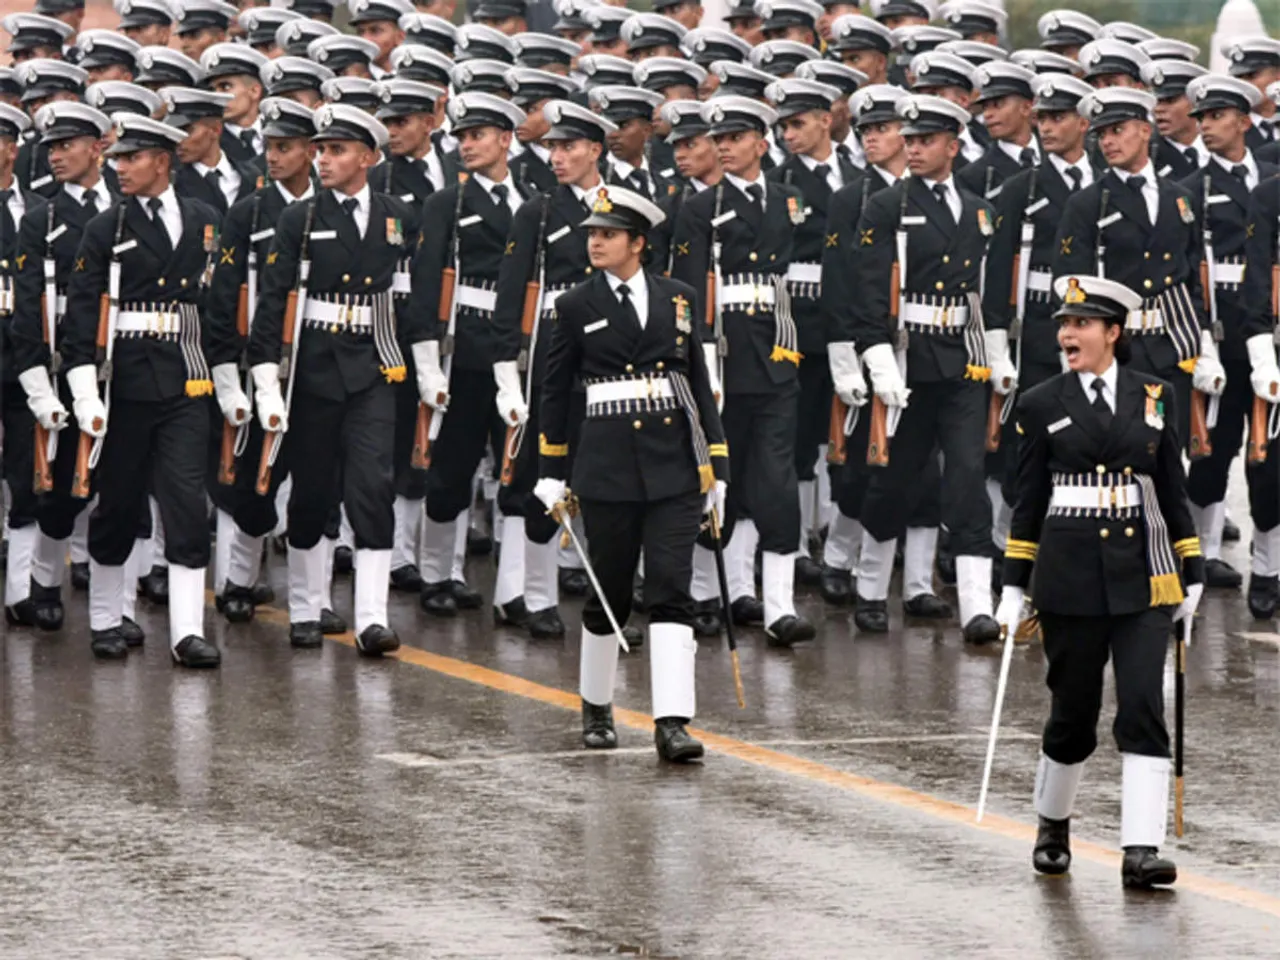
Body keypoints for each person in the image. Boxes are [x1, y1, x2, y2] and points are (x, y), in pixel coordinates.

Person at [996, 273, 1204, 889]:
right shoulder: (1039, 403)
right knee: (1073, 714)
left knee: (1142, 706)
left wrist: (1191, 572)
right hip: (1069, 579)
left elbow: (1172, 488)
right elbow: (1026, 503)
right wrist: (1012, 586)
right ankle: (1053, 823)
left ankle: (1142, 849)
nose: (1067, 334)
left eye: (1081, 324)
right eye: (1064, 324)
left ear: (1113, 333)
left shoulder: (1155, 395)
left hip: (1144, 577)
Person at [535, 185, 727, 762]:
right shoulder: (573, 305)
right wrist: (550, 468)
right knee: (611, 595)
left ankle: (672, 722)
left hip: (673, 468)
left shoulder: (679, 298)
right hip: (607, 470)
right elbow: (553, 391)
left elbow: (697, 382)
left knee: (672, 589)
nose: (595, 241)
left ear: (638, 243)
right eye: (592, 233)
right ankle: (596, 705)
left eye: (608, 234)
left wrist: (715, 467)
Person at [248, 103, 423, 654]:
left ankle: (372, 616)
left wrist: (424, 367)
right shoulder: (299, 218)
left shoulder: (397, 215)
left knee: (372, 487)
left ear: (367, 158)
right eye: (320, 150)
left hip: (375, 363)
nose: (323, 160)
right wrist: (265, 378)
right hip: (315, 367)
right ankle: (307, 606)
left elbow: (407, 295)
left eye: (337, 150)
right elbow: (272, 302)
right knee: (314, 489)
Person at [60, 113, 223, 666]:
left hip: (186, 374)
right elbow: (83, 310)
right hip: (125, 379)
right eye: (117, 158)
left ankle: (186, 631)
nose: (119, 167)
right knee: (121, 502)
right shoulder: (107, 226)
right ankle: (108, 617)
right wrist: (83, 386)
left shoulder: (203, 218)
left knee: (184, 501)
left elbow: (213, 303)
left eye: (131, 158)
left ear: (162, 160)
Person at [670, 95, 814, 647]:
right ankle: (709, 592)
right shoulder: (701, 207)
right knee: (716, 476)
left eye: (734, 138)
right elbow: (688, 287)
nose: (723, 147)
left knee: (774, 480)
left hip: (775, 353)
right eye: (718, 139)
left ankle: (778, 604)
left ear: (762, 141)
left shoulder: (788, 200)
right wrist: (697, 352)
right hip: (723, 355)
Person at [491, 99, 617, 639]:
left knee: (609, 479)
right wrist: (506, 371)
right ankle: (538, 596)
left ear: (595, 150)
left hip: (612, 359)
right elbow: (510, 294)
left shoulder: (625, 207)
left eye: (568, 147)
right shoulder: (538, 211)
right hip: (556, 356)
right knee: (548, 477)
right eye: (552, 148)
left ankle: (606, 602)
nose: (558, 157)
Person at [203, 97, 327, 627]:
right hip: (260, 362)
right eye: (269, 147)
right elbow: (225, 295)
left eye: (286, 148)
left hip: (317, 364)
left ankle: (313, 598)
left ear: (311, 152)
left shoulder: (331, 206)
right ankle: (237, 580)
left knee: (320, 482)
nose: (273, 157)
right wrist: (228, 372)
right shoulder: (249, 212)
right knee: (255, 479)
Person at [408, 92, 532, 617]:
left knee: (515, 470)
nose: (466, 145)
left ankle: (515, 589)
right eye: (461, 137)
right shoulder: (447, 203)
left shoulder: (532, 200)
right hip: (463, 346)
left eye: (477, 135)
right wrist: (427, 362)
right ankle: (440, 574)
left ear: (506, 139)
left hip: (514, 349)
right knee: (453, 467)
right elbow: (424, 283)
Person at [1054, 87, 1219, 452]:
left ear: (1145, 130)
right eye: (1101, 134)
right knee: (1122, 453)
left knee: (1169, 456)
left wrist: (1204, 343)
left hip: (1172, 345)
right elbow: (1072, 289)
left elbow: (1190, 276)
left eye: (1118, 130)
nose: (1108, 142)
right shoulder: (1087, 204)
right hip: (1119, 350)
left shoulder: (1180, 197)